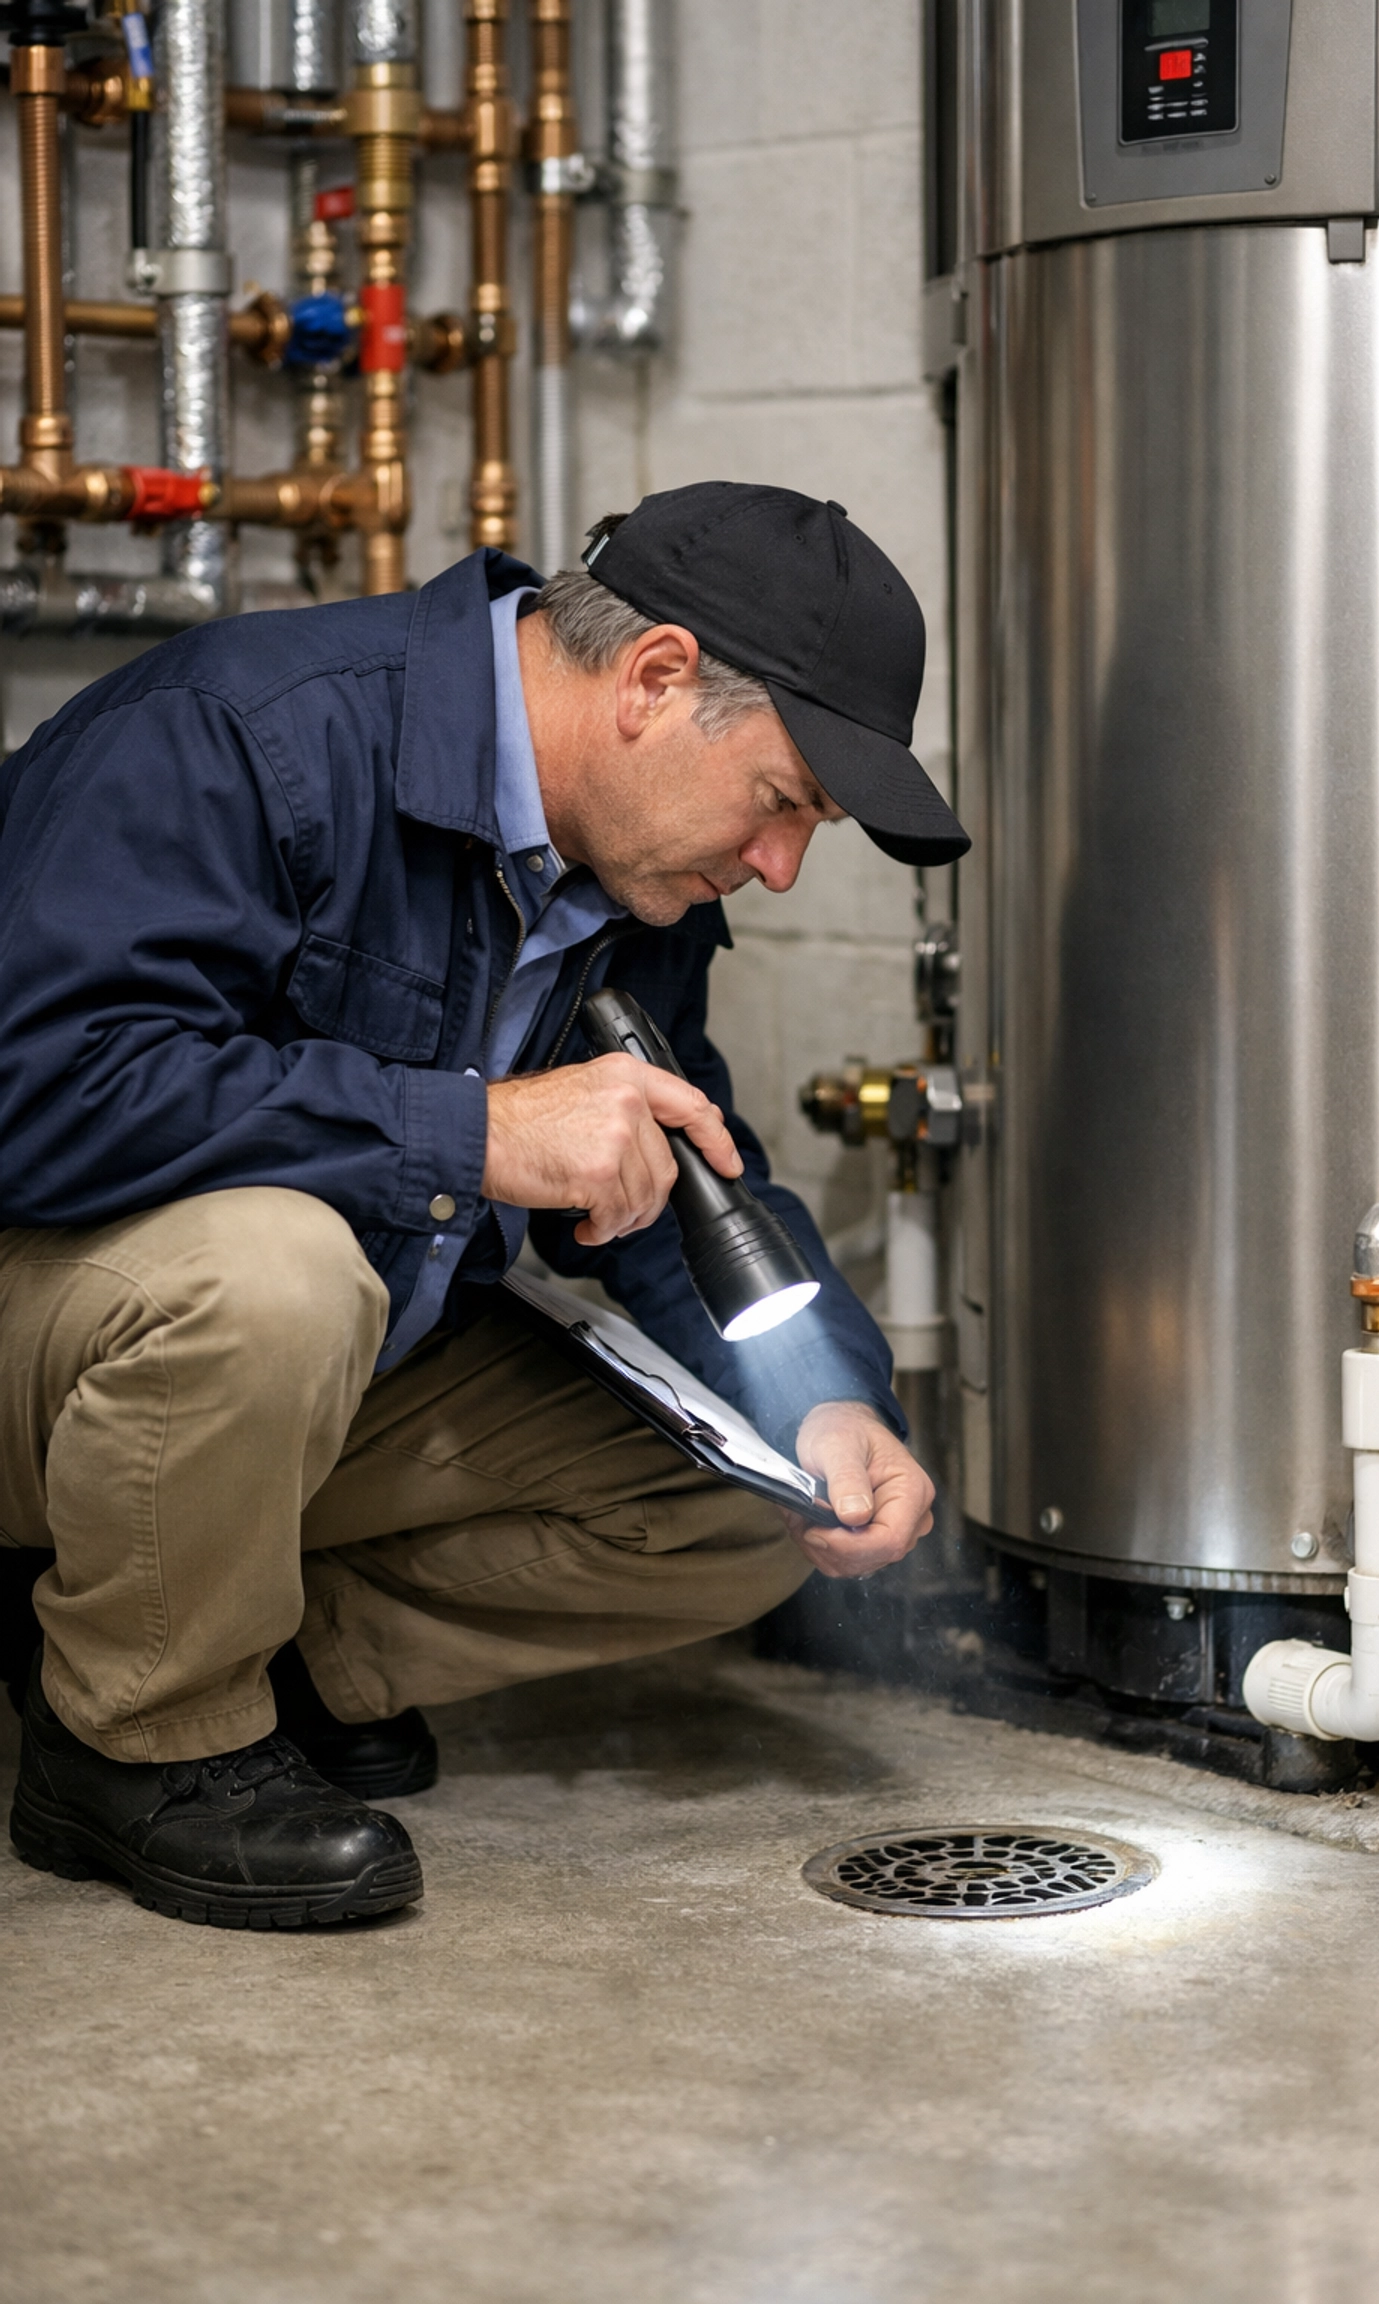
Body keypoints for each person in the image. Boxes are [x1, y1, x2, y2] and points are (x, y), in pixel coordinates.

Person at [0, 481, 968, 1929]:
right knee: (280, 1272)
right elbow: (39, 1093)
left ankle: (236, 1645)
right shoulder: (245, 736)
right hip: (59, 1332)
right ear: (656, 679)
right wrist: (476, 1129)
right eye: (782, 804)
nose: (778, 868)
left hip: (301, 1378)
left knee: (755, 1505)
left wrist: (824, 1398)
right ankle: (138, 1739)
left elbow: (683, 1173)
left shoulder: (636, 883)